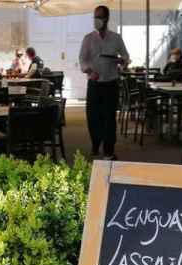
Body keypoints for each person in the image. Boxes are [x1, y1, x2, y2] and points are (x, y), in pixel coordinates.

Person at [79, 5, 129, 160]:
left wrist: (122, 61)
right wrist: (88, 71)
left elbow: (126, 57)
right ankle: (95, 143)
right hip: (94, 84)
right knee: (93, 116)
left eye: (99, 17)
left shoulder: (116, 38)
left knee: (109, 117)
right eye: (95, 17)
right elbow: (82, 59)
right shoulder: (88, 38)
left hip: (110, 83)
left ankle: (109, 149)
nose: (97, 20)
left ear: (106, 19)